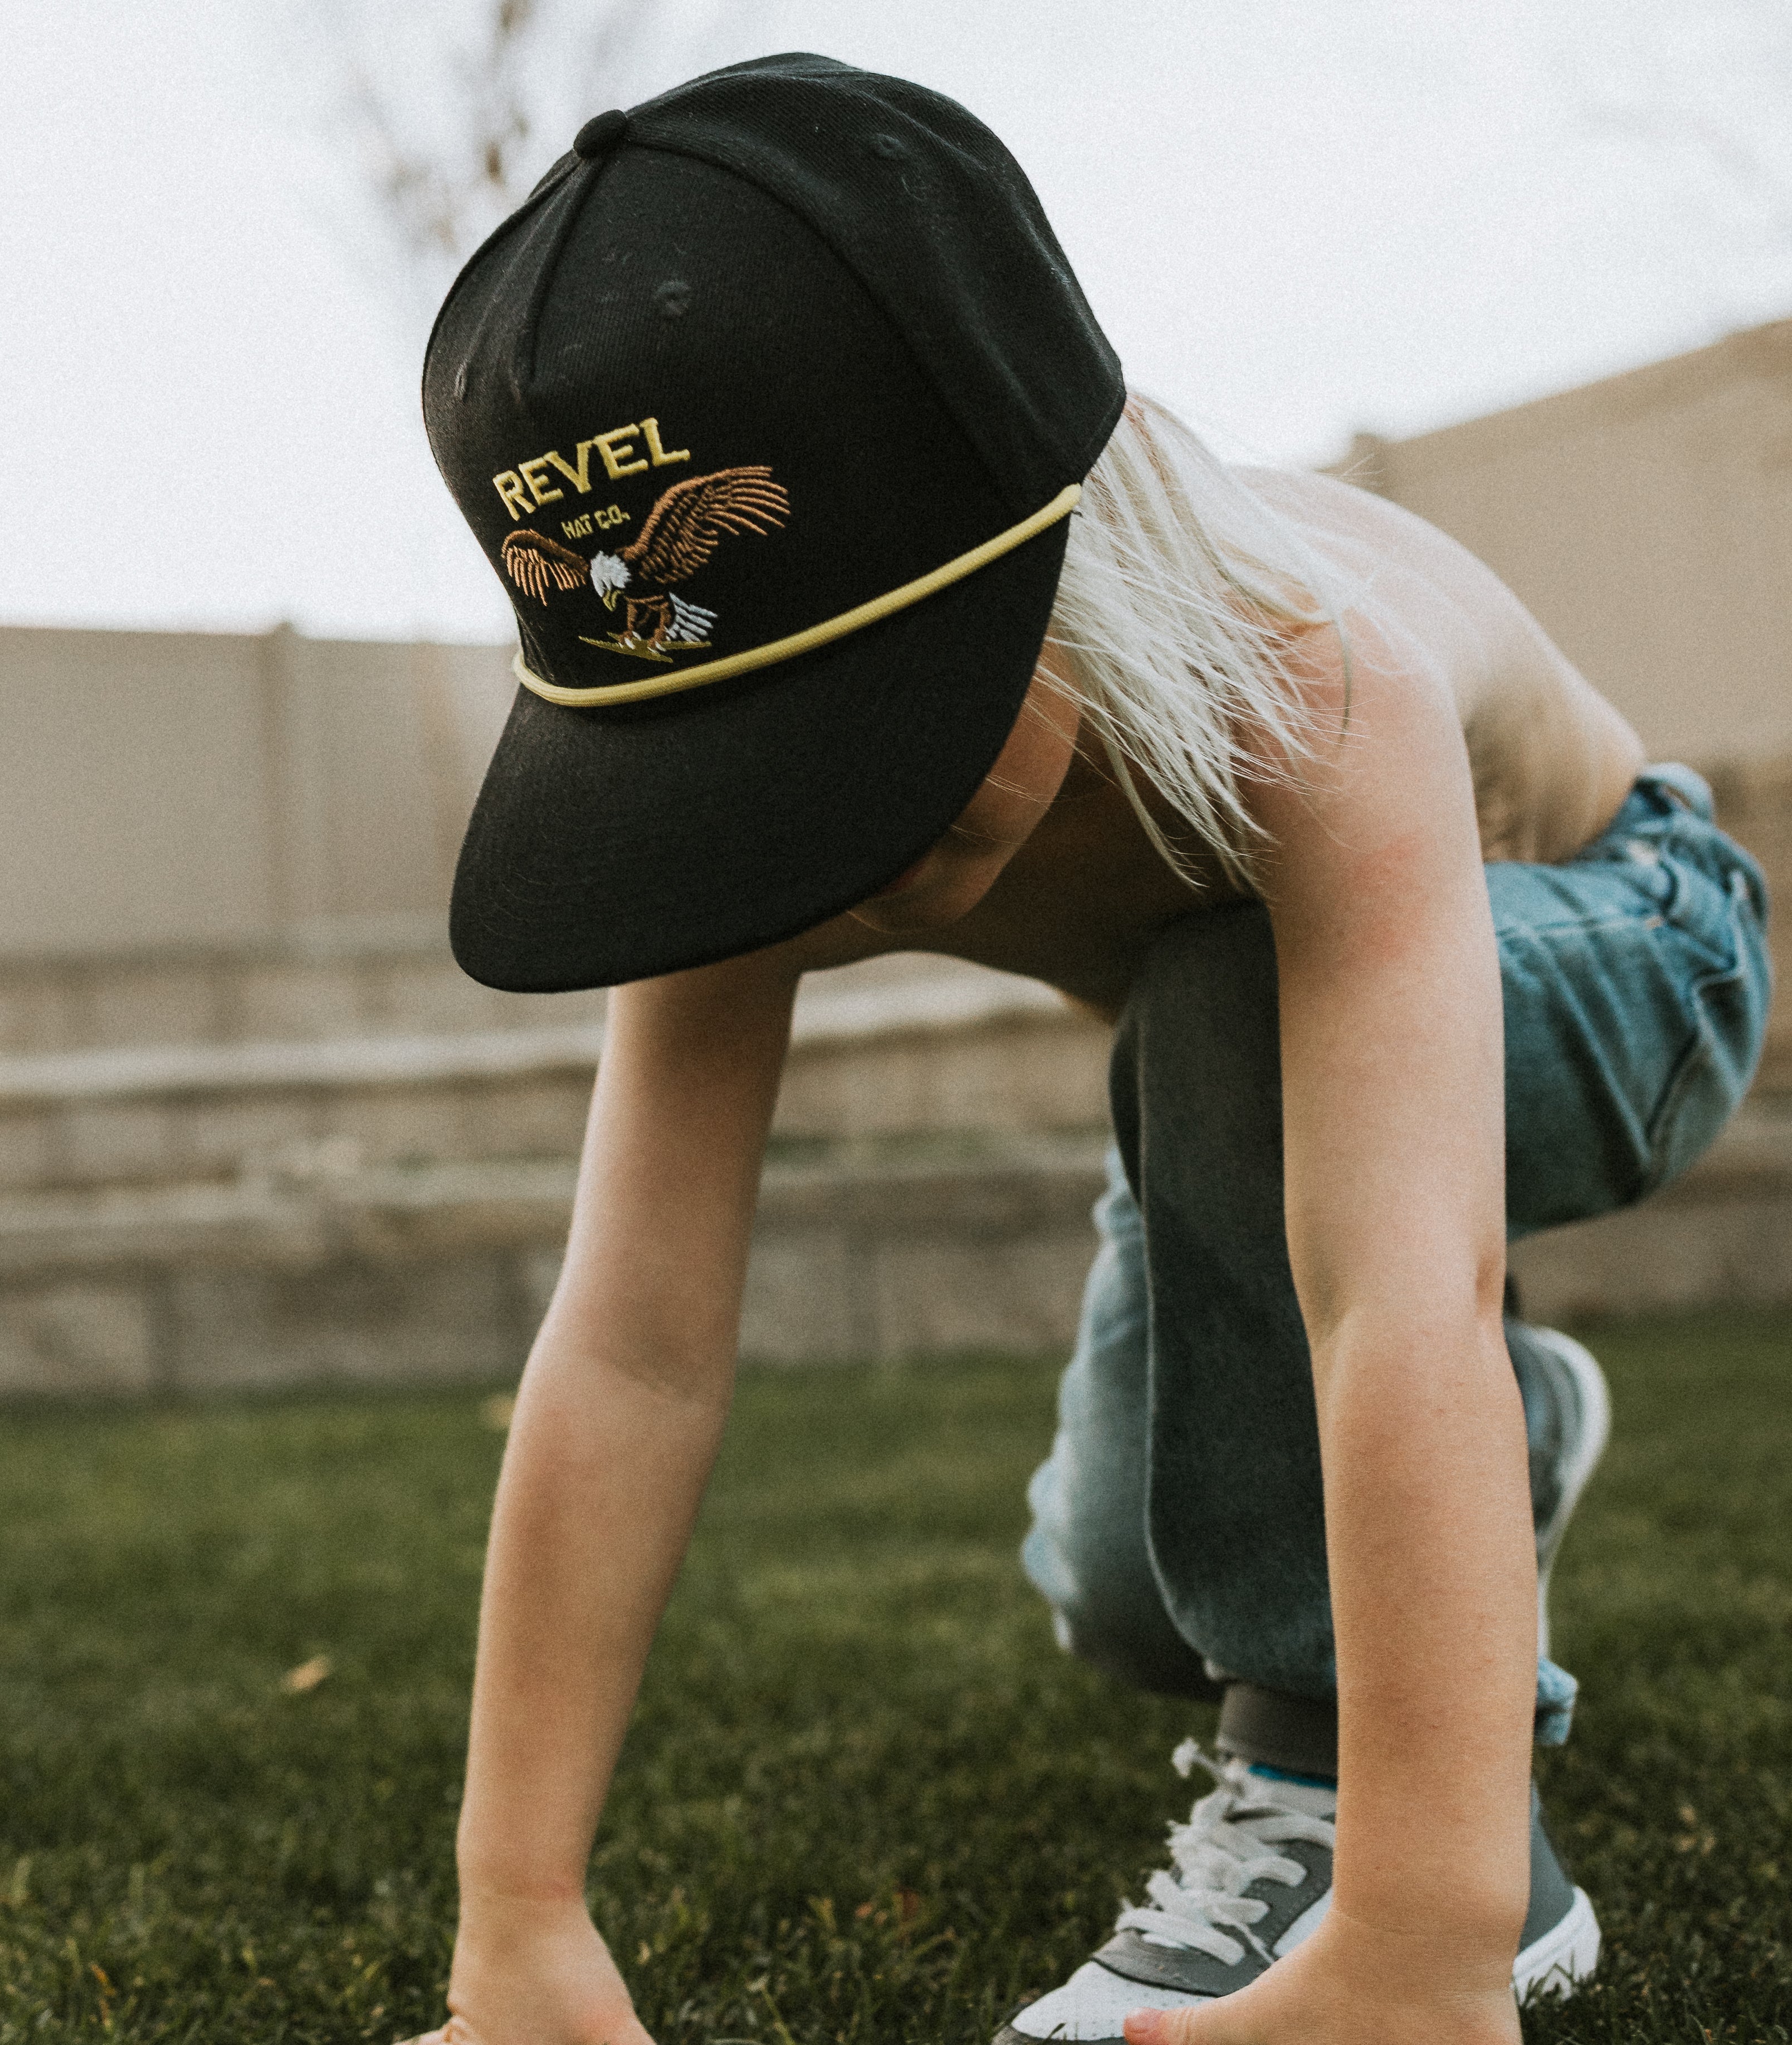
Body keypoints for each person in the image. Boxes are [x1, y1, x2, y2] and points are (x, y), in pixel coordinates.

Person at [406, 53, 1772, 2045]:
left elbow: (1400, 1295)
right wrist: (515, 1914)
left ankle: (1343, 1794)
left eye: (876, 728)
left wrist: (1427, 1930)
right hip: (1260, 1080)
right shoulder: (751, 807)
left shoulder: (1301, 675)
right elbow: (630, 1343)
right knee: (1128, 1587)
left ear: (1061, 545)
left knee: (1225, 998)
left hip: (1631, 948)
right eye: (745, 767)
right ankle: (1524, 1440)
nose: (827, 835)